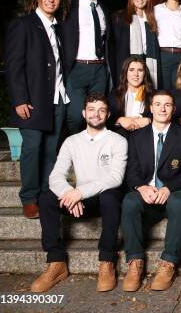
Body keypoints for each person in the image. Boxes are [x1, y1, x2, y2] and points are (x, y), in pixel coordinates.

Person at [31, 93, 127, 293]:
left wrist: (79, 193)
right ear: (84, 113)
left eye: (101, 110)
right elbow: (56, 176)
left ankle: (107, 261)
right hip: (78, 200)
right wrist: (69, 193)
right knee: (47, 197)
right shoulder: (71, 141)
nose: (96, 114)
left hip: (102, 201)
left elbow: (114, 178)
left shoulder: (118, 140)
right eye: (91, 110)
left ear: (108, 114)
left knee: (111, 194)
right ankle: (56, 263)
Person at [120, 90, 181, 292]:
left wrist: (169, 188)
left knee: (179, 201)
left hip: (174, 192)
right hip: (147, 191)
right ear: (151, 108)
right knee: (129, 201)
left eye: (168, 104)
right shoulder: (137, 137)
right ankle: (135, 262)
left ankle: (169, 262)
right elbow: (131, 172)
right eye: (158, 104)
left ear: (173, 109)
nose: (163, 108)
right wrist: (141, 186)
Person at [5, 0, 69, 218]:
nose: (51, 0)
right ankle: (29, 198)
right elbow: (14, 66)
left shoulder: (59, 28)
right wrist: (19, 99)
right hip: (32, 100)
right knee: (32, 148)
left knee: (52, 149)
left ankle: (45, 195)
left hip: (58, 99)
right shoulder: (23, 25)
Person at [61, 0, 112, 134]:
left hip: (99, 69)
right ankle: (74, 152)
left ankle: (94, 152)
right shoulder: (68, 5)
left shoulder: (102, 8)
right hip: (77, 67)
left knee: (97, 115)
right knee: (76, 115)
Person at [112, 0, 161, 89]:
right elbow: (116, 46)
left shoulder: (151, 19)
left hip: (147, 62)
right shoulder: (121, 17)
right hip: (128, 61)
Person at [108, 57, 153, 137]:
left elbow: (162, 116)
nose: (136, 74)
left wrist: (149, 120)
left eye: (140, 70)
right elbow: (106, 119)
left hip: (144, 135)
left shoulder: (153, 95)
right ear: (126, 72)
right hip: (119, 135)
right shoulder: (114, 94)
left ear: (144, 74)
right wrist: (119, 120)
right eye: (131, 70)